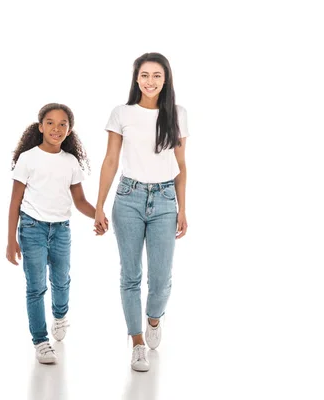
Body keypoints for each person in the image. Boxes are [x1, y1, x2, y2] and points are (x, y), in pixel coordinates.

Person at [94, 52, 189, 371]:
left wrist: (182, 208)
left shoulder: (177, 113)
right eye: (145, 75)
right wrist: (99, 206)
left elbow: (181, 165)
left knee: (161, 278)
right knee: (130, 274)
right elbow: (110, 161)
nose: (150, 81)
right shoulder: (122, 113)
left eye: (157, 76)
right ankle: (136, 342)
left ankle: (153, 319)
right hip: (128, 197)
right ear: (136, 79)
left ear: (166, 79)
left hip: (164, 199)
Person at [6, 103, 105, 364]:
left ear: (69, 130)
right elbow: (15, 201)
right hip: (31, 229)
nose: (56, 128)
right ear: (40, 127)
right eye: (50, 122)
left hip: (61, 230)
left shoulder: (70, 162)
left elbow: (80, 201)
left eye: (63, 124)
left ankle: (60, 316)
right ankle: (40, 341)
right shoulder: (28, 158)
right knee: (36, 287)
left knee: (61, 281)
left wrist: (98, 214)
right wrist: (10, 240)